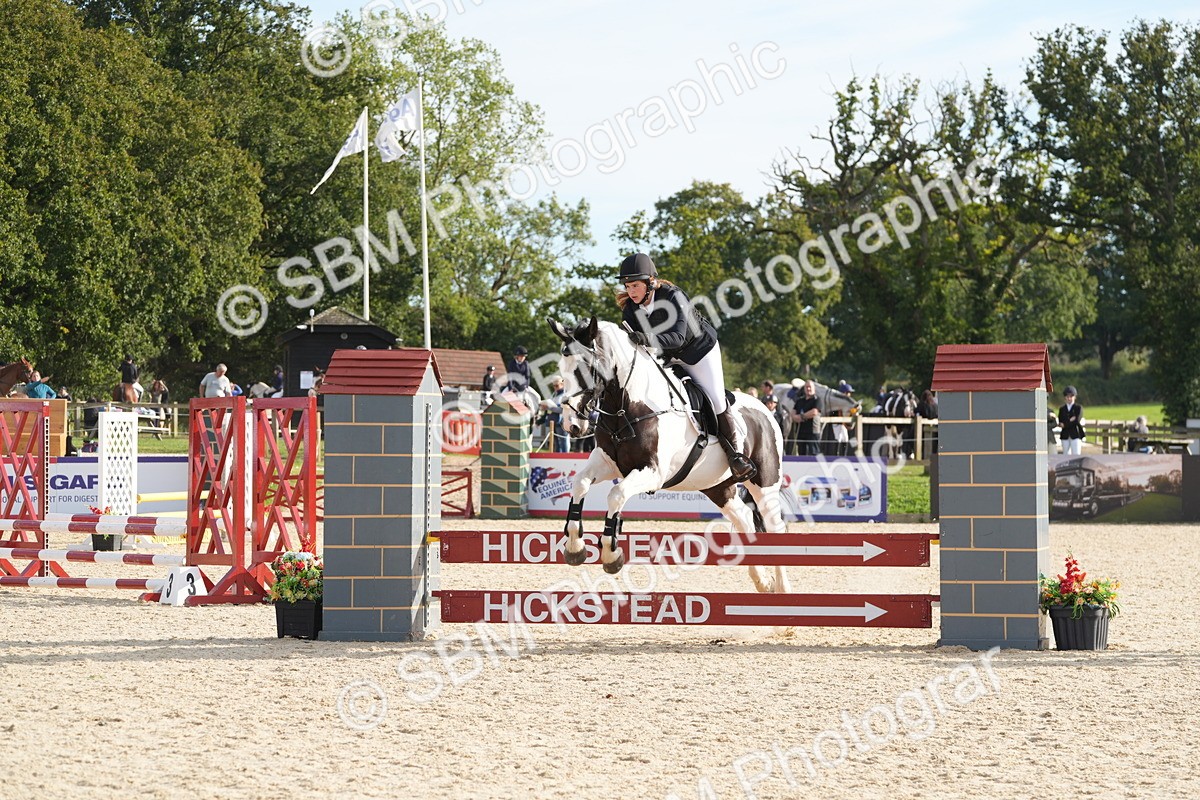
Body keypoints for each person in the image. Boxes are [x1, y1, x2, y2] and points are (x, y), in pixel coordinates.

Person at [617, 252, 755, 480]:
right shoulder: (631, 310)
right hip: (667, 356)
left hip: (699, 351)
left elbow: (678, 338)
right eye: (628, 286)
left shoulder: (673, 296)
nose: (630, 292)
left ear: (650, 282)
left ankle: (736, 456)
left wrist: (647, 339)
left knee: (715, 398)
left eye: (635, 286)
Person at [789, 379, 822, 456]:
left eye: (810, 387)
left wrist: (801, 417)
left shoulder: (817, 399)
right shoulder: (800, 400)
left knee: (814, 453)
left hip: (812, 431)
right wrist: (794, 417)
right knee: (801, 453)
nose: (808, 389)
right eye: (806, 387)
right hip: (800, 431)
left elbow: (814, 412)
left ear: (814, 388)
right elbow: (793, 412)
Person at [541, 376, 570, 453]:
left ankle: (566, 458)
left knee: (563, 441)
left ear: (562, 384)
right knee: (556, 443)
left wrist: (550, 407)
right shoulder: (554, 394)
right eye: (553, 385)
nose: (555, 387)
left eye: (556, 385)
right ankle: (558, 459)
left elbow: (562, 410)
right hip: (553, 421)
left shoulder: (565, 395)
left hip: (562, 422)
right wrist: (546, 407)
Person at [1058, 385, 1086, 456]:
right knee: (1065, 454)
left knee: (1076, 454)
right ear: (1065, 397)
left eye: (1071, 396)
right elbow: (1060, 421)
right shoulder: (1062, 409)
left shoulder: (1078, 408)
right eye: (1067, 396)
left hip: (1075, 434)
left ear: (1075, 397)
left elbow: (1076, 421)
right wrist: (1070, 420)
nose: (1069, 398)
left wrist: (1065, 424)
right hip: (1065, 435)